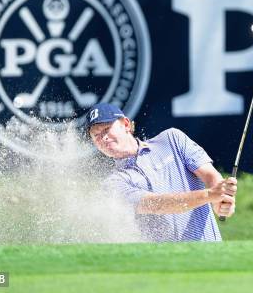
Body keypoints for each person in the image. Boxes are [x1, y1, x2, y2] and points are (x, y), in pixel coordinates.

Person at [85, 103, 237, 242]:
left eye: (106, 129)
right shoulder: (113, 183)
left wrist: (220, 198)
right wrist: (210, 195)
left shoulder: (172, 139)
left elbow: (210, 175)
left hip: (210, 252)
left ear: (125, 124)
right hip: (165, 267)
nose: (103, 138)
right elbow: (156, 204)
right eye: (96, 135)